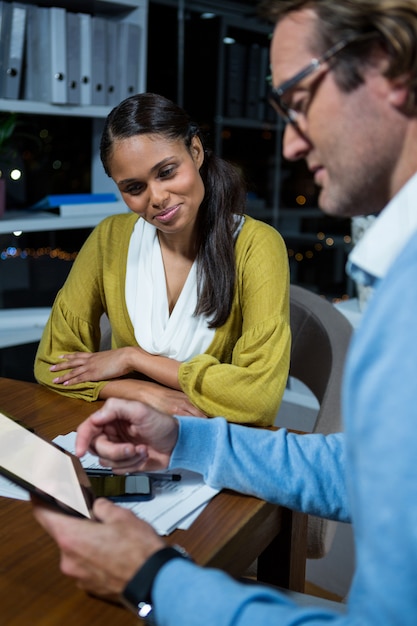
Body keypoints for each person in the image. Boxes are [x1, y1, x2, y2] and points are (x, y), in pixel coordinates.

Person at [32, 0, 417, 624]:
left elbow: (259, 401)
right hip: (185, 451)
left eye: (299, 98)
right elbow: (373, 469)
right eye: (133, 186)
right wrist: (181, 429)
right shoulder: (399, 278)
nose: (289, 144)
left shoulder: (271, 251)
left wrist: (153, 579)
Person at [34, 92, 290, 426]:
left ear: (195, 151)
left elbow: (258, 398)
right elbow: (52, 364)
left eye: (167, 172)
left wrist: (133, 359)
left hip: (222, 448)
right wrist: (140, 392)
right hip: (131, 435)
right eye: (134, 188)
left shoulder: (257, 246)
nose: (156, 198)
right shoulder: (109, 239)